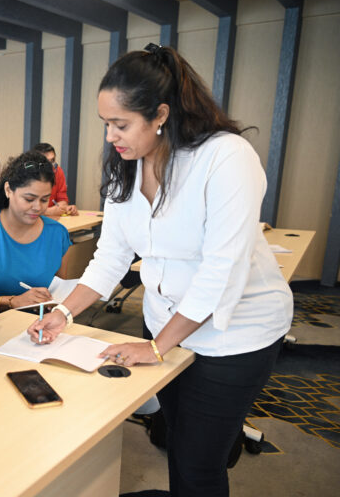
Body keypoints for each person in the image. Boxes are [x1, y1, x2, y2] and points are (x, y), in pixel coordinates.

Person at [29, 44, 292, 497]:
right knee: (179, 442)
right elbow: (110, 256)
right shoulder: (127, 168)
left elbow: (220, 272)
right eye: (106, 124)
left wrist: (157, 346)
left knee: (198, 462)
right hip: (164, 325)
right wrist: (63, 313)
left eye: (121, 124)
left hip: (235, 334)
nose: (111, 136)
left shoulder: (226, 158)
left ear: (161, 114)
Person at [0, 151, 71, 312]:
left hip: (40, 327)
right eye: (29, 199)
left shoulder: (58, 234)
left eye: (44, 199)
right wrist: (11, 301)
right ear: (8, 190)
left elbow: (59, 293)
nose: (38, 207)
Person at [32, 142, 78, 217]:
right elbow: (21, 208)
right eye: (46, 162)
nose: (51, 165)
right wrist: (47, 211)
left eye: (52, 160)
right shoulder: (27, 175)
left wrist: (65, 208)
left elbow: (62, 200)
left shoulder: (57, 171)